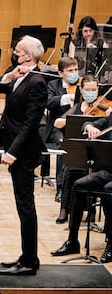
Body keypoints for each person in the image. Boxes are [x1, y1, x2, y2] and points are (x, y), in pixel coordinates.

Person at [0, 35, 47, 275]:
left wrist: (12, 152)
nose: (15, 52)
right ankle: (26, 256)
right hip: (14, 145)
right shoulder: (18, 73)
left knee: (26, 205)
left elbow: (31, 123)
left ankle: (30, 261)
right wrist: (10, 77)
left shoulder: (38, 82)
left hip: (24, 151)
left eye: (18, 50)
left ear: (28, 56)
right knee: (22, 204)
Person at [51, 111, 112, 263]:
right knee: (79, 185)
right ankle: (73, 241)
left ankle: (111, 244)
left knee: (108, 190)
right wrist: (90, 127)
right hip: (108, 170)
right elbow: (90, 124)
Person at [52, 75, 110, 224]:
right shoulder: (77, 107)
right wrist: (71, 121)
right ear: (81, 90)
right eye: (87, 90)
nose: (91, 93)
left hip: (99, 154)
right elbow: (57, 123)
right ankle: (64, 210)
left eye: (94, 90)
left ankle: (90, 209)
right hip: (81, 151)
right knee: (70, 169)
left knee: (86, 170)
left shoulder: (105, 109)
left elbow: (104, 125)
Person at [42, 57, 79, 218]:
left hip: (77, 128)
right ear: (61, 73)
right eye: (70, 71)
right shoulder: (53, 85)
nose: (74, 73)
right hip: (57, 128)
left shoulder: (82, 86)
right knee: (64, 146)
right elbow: (48, 102)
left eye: (76, 70)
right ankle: (61, 189)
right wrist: (67, 98)